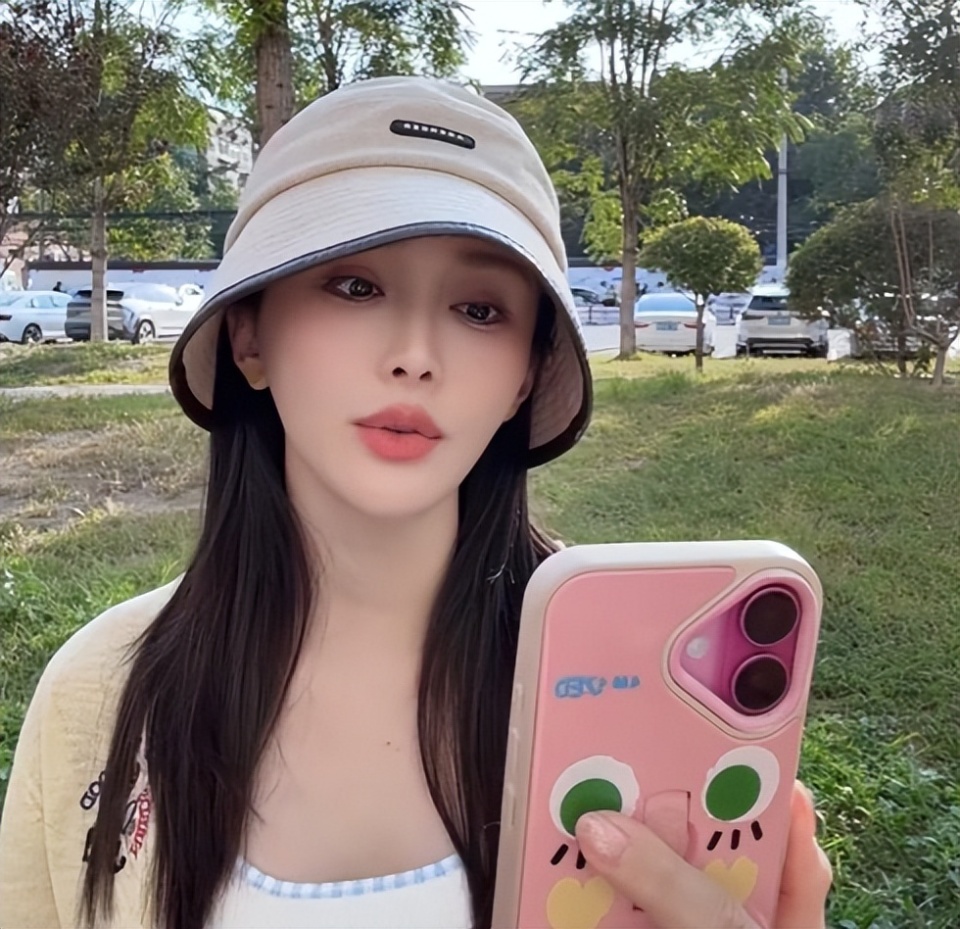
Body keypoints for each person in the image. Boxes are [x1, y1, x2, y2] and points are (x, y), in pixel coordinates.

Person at [0, 77, 832, 929]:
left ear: (526, 376)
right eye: (355, 287)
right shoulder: (98, 691)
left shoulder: (636, 694)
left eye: (479, 308)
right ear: (249, 335)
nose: (415, 355)